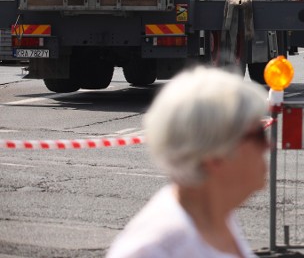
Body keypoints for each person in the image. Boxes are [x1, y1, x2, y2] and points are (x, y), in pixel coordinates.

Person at [107, 68, 269, 258]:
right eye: (259, 135)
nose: (268, 145)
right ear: (214, 154)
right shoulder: (153, 249)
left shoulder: (217, 213)